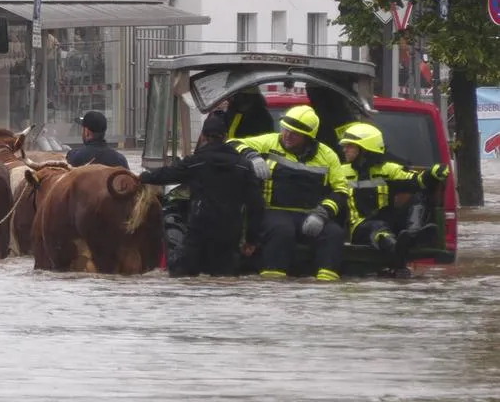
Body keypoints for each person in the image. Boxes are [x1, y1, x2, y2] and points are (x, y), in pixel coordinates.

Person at [228, 104, 350, 281]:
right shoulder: (270, 142)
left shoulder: (328, 155)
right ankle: (274, 283)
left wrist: (322, 214)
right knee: (282, 231)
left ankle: (326, 287)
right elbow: (231, 143)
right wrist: (251, 156)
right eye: (285, 129)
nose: (287, 135)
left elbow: (341, 190)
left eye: (294, 133)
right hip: (273, 212)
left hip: (310, 216)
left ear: (308, 136)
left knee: (334, 234)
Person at [139, 111, 264, 277]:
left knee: (184, 274)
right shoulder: (244, 165)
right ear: (225, 136)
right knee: (225, 276)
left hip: (200, 227)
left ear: (204, 136)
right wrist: (251, 239)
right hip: (230, 230)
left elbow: (168, 174)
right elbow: (256, 205)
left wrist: (143, 177)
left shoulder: (196, 162)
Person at [338, 122, 449, 275]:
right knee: (377, 228)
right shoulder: (341, 172)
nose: (344, 149)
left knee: (417, 196)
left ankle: (413, 233)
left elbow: (415, 181)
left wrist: (432, 173)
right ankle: (399, 249)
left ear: (365, 148)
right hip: (360, 228)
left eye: (349, 146)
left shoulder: (388, 169)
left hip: (389, 223)